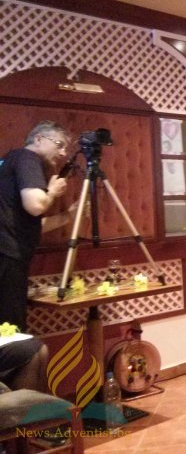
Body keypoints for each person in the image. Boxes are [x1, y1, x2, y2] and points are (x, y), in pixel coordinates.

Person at [0, 120, 75, 392]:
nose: (63, 153)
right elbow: (35, 206)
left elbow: (29, 225)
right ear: (39, 139)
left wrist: (67, 217)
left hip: (9, 256)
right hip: (8, 258)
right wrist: (52, 192)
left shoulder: (10, 162)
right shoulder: (27, 158)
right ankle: (19, 414)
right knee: (16, 342)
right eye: (59, 144)